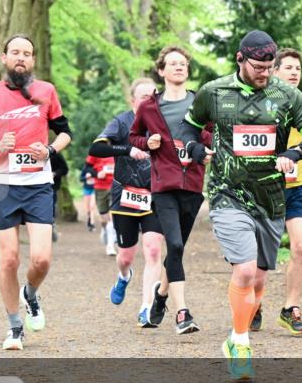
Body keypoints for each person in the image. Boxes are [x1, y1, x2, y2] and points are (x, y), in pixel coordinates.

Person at [185, 30, 302, 381]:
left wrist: (293, 153)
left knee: (260, 280)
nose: (264, 73)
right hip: (227, 193)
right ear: (240, 59)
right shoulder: (214, 92)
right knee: (245, 270)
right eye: (258, 67)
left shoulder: (286, 95)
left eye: (269, 67)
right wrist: (193, 149)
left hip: (271, 197)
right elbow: (188, 129)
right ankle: (239, 343)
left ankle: (242, 329)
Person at [0, 34, 72, 351]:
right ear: (4, 57)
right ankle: (15, 328)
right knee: (9, 258)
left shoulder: (46, 91)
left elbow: (66, 132)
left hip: (38, 184)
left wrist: (51, 150)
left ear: (33, 60)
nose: (21, 57)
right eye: (15, 52)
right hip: (4, 185)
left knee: (41, 259)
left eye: (27, 53)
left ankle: (30, 292)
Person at [129, 46, 212, 335]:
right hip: (163, 185)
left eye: (183, 64)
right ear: (162, 71)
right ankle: (183, 313)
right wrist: (146, 143)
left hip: (192, 184)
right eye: (172, 64)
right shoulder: (150, 107)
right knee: (174, 246)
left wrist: (206, 148)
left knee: (177, 251)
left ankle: (160, 295)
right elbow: (134, 135)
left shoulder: (200, 103)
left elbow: (212, 134)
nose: (179, 67)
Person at [89, 78, 164, 327]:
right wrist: (126, 150)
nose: (149, 100)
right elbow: (97, 148)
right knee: (126, 257)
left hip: (156, 196)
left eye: (153, 95)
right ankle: (123, 276)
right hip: (125, 198)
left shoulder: (165, 122)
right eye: (144, 96)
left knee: (153, 249)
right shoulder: (121, 122)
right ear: (132, 101)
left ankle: (146, 308)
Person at [250, 48, 302, 336]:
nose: (294, 72)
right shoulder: (260, 103)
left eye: (297, 68)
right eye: (287, 67)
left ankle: (291, 308)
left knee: (300, 248)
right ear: (274, 71)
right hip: (265, 189)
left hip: (298, 187)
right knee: (262, 256)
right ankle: (254, 302)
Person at [85, 152, 117, 255]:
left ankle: (110, 246)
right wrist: (96, 174)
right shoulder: (97, 150)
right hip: (101, 188)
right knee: (104, 217)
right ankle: (104, 228)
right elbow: (87, 168)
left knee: (114, 216)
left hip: (116, 186)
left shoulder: (120, 148)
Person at [79, 163, 96, 230]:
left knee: (92, 206)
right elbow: (80, 179)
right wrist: (86, 177)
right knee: (88, 209)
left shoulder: (97, 166)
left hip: (94, 189)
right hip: (86, 189)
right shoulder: (85, 168)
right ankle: (89, 219)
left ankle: (92, 223)